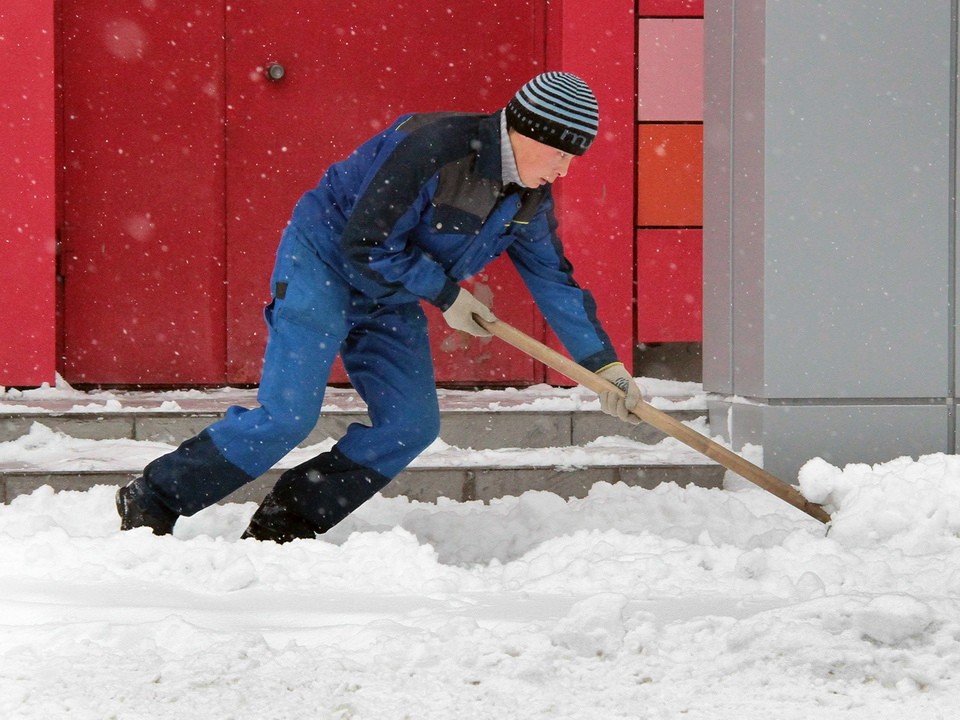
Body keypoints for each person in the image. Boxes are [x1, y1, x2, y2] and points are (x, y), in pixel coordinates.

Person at [116, 71, 643, 542]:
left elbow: (555, 280)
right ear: (528, 132)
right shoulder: (433, 147)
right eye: (562, 154)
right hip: (322, 266)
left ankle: (288, 520)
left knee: (411, 426)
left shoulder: (528, 197)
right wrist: (446, 295)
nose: (566, 170)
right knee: (288, 418)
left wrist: (604, 367)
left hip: (390, 293)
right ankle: (155, 496)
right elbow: (365, 241)